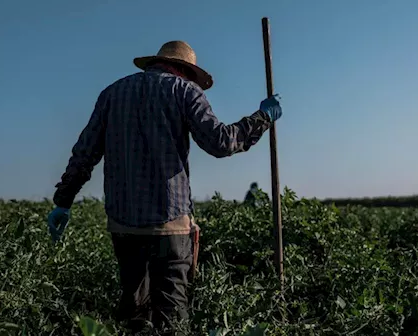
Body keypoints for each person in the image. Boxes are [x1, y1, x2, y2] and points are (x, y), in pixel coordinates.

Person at [47, 41, 282, 333]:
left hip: (124, 225)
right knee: (171, 317)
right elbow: (221, 142)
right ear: (185, 70)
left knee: (136, 313)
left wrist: (63, 201)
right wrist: (262, 119)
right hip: (170, 225)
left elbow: (85, 153)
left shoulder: (112, 93)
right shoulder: (185, 91)